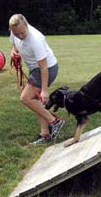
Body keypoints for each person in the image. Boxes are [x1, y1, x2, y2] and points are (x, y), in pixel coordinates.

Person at [9, 13, 65, 146]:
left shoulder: (36, 39)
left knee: (26, 98)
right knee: (35, 101)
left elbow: (44, 67)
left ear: (26, 25)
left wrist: (44, 90)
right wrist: (14, 51)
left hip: (47, 69)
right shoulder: (14, 32)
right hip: (35, 69)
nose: (21, 36)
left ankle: (56, 122)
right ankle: (45, 134)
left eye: (23, 33)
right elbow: (15, 44)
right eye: (17, 34)